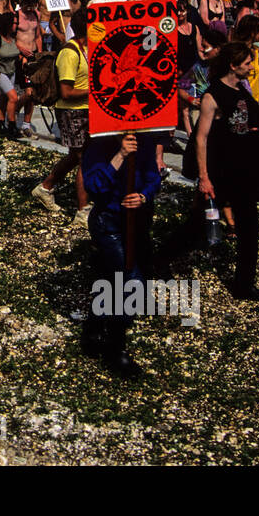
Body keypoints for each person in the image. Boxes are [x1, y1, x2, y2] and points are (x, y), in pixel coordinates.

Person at [194, 41, 259, 299]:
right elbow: (201, 138)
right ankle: (159, 260)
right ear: (233, 65)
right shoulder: (213, 95)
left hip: (244, 172)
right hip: (223, 172)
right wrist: (204, 177)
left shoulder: (241, 89)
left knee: (249, 228)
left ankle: (244, 284)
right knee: (196, 226)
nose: (251, 67)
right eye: (247, 62)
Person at [82, 130, 162, 374]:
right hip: (108, 222)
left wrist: (144, 196)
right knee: (132, 282)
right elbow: (93, 186)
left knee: (111, 278)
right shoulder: (98, 145)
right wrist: (120, 156)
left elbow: (153, 177)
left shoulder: (144, 142)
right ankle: (115, 349)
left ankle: (94, 331)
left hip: (136, 221)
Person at [31, 9, 91, 229]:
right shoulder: (70, 53)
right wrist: (93, 91)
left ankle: (45, 187)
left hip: (86, 110)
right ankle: (82, 211)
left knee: (76, 157)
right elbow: (66, 92)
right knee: (83, 158)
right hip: (72, 111)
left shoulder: (87, 49)